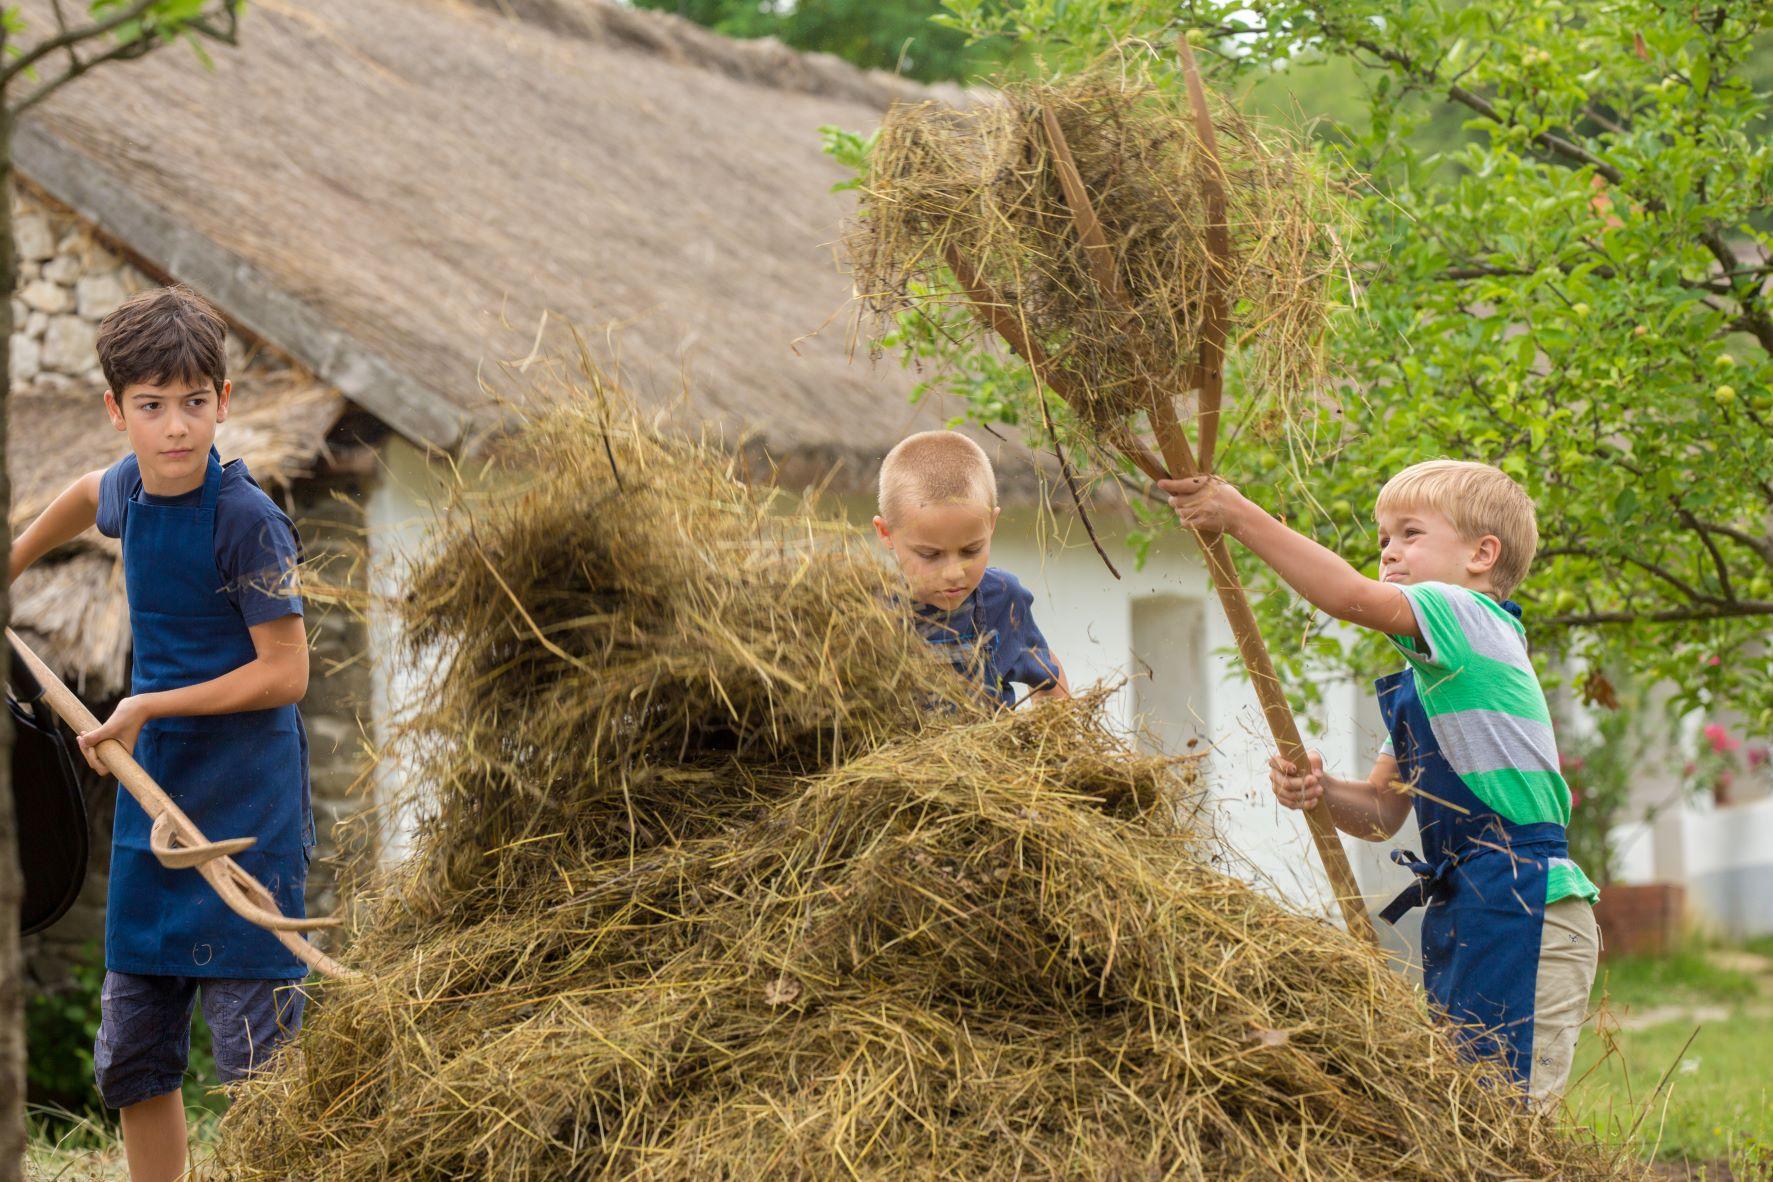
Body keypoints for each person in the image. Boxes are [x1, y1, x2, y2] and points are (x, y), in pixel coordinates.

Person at [1162, 459, 1598, 1102]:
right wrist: (1321, 793)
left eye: (1410, 534)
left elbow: (1347, 597)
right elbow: (1380, 814)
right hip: (1473, 903)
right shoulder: (1437, 683)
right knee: (1464, 1118)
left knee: (1509, 1123)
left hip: (1523, 904)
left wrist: (1239, 515)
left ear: (1483, 554)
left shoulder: (1472, 615)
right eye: (1383, 539)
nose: (1389, 552)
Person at [9, 286, 313, 1182]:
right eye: (150, 406)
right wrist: (12, 560)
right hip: (157, 804)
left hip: (245, 803)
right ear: (117, 412)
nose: (175, 427)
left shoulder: (246, 519)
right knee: (135, 1051)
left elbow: (286, 674)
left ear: (223, 401)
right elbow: (79, 494)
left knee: (258, 1057)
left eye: (193, 403)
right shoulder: (129, 491)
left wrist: (148, 707)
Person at [873, 430, 1069, 706]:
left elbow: (1047, 674)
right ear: (886, 533)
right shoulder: (870, 611)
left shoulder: (1003, 598)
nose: (954, 573)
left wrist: (1057, 740)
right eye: (930, 554)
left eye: (971, 550)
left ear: (991, 523)